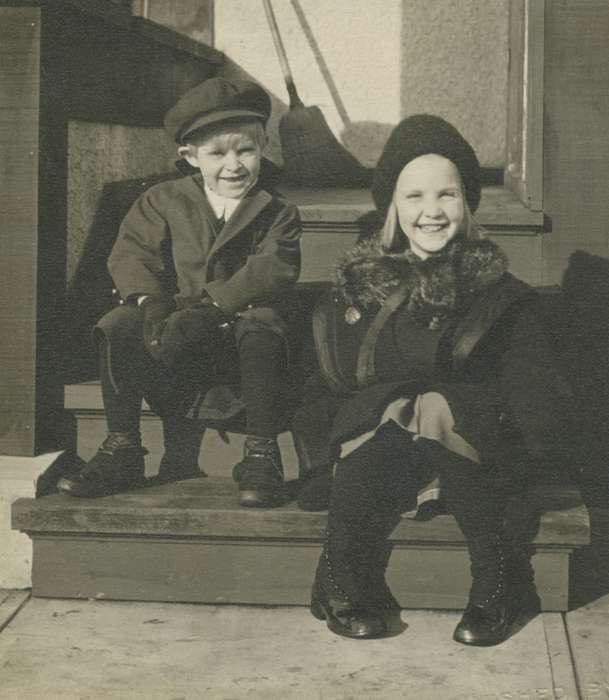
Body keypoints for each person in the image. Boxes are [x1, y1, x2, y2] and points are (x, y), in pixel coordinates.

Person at [293, 114, 574, 645]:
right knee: (395, 406)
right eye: (414, 196)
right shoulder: (360, 287)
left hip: (473, 453)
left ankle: (495, 584)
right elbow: (330, 383)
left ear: (467, 203)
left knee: (436, 405)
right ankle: (339, 576)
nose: (431, 211)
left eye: (447, 195)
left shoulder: (498, 293)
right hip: (379, 451)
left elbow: (531, 388)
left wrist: (526, 452)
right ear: (392, 207)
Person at [58, 77, 302, 508]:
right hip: (173, 334)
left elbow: (272, 268)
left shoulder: (277, 210)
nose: (234, 165)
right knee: (117, 326)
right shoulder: (161, 200)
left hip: (236, 335)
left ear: (263, 144)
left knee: (264, 324)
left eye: (246, 149)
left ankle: (262, 454)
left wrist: (212, 307)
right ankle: (123, 447)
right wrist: (150, 305)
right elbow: (133, 256)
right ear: (189, 157)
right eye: (217, 153)